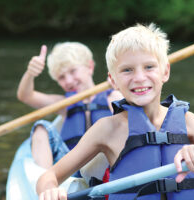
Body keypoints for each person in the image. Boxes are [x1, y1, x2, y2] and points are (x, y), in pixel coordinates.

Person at [36, 24, 194, 200]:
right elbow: (49, 176)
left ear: (165, 71)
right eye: (127, 70)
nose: (139, 77)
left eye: (149, 67)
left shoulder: (189, 121)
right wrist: (50, 190)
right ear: (113, 80)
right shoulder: (106, 129)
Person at [17, 42, 122, 174]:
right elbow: (26, 96)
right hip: (71, 167)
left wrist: (121, 85)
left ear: (89, 67)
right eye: (61, 77)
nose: (69, 81)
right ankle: (46, 185)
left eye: (73, 71)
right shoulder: (64, 104)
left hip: (105, 163)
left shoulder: (113, 96)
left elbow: (132, 120)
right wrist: (30, 74)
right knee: (41, 127)